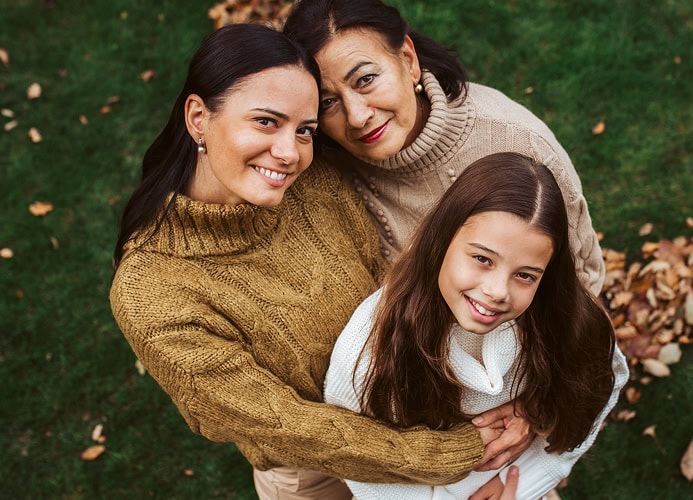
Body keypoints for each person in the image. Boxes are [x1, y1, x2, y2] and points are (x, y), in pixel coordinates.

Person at [110, 23, 524, 500]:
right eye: (266, 121)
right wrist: (445, 457)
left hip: (421, 407)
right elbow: (286, 425)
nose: (289, 154)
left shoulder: (315, 185)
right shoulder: (152, 292)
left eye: (304, 130)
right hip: (319, 478)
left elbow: (388, 289)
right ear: (199, 117)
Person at [324, 153, 630, 500]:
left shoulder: (565, 319)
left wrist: (523, 485)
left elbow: (593, 396)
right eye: (483, 259)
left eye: (525, 275)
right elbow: (358, 462)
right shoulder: (368, 348)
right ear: (442, 240)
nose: (497, 292)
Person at [283, 0, 605, 296]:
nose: (357, 116)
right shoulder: (324, 170)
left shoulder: (519, 144)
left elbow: (579, 279)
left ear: (408, 60)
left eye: (365, 79)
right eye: (328, 101)